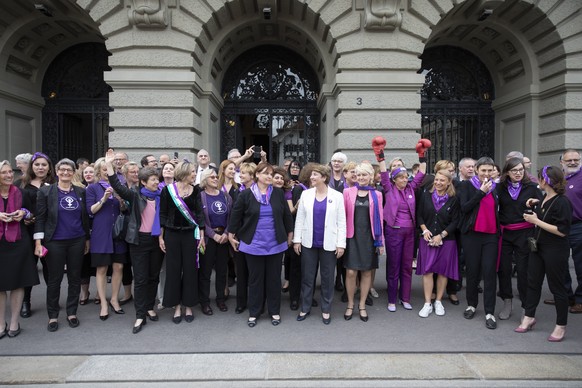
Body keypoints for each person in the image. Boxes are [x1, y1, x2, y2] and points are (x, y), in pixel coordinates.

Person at [228, 162, 293, 327]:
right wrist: (230, 234)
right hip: (253, 244)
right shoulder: (246, 195)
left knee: (273, 279)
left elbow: (286, 215)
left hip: (275, 243)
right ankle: (254, 312)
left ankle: (274, 311)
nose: (269, 176)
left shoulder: (278, 194)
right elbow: (235, 216)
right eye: (266, 173)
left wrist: (290, 234)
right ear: (257, 175)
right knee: (255, 280)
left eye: (271, 174)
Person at [105, 151, 164, 334]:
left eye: (157, 179)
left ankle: (148, 307)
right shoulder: (134, 195)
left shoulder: (163, 196)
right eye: (152, 180)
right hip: (139, 241)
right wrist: (109, 165)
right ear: (143, 182)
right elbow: (116, 185)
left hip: (157, 241)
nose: (156, 182)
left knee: (153, 277)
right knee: (140, 279)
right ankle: (140, 315)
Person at [34, 158, 90, 332]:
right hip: (54, 241)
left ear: (74, 173)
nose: (65, 173)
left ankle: (72, 312)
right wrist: (38, 242)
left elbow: (85, 218)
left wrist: (87, 238)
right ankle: (53, 315)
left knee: (75, 277)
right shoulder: (45, 192)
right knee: (54, 279)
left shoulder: (81, 192)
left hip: (77, 240)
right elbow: (40, 218)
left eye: (69, 170)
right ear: (57, 172)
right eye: (62, 170)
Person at [517, 166, 572, 342]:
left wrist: (536, 221)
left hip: (555, 249)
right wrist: (535, 204)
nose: (537, 180)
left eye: (540, 177)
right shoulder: (545, 197)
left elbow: (562, 231)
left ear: (545, 181)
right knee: (533, 283)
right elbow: (544, 210)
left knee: (557, 288)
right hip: (538, 247)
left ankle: (561, 325)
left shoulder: (563, 202)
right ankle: (529, 316)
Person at [374, 136, 427, 312]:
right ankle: (391, 299)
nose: (405, 179)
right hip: (394, 232)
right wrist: (380, 155)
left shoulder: (412, 188)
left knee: (406, 266)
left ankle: (405, 298)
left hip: (410, 232)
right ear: (394, 179)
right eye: (402, 177)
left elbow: (421, 174)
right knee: (393, 265)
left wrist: (422, 155)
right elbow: (383, 173)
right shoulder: (388, 188)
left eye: (406, 177)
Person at [293, 164, 346, 324]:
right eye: (311, 175)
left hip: (329, 244)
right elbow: (300, 218)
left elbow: (341, 222)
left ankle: (326, 309)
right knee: (308, 278)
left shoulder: (337, 196)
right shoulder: (306, 195)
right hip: (308, 243)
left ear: (324, 177)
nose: (311, 178)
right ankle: (305, 307)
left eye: (315, 175)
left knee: (327, 278)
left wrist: (341, 244)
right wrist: (297, 240)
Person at [496, 158, 543, 320]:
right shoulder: (500, 187)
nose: (518, 173)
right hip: (505, 233)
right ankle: (507, 302)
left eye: (520, 170)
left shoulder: (531, 187)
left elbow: (542, 206)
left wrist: (536, 203)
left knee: (524, 270)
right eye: (514, 170)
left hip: (525, 233)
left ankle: (525, 306)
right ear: (507, 172)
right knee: (504, 269)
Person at [159, 161, 205, 323]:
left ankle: (189, 305)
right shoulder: (167, 190)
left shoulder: (196, 190)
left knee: (190, 270)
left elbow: (199, 214)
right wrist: (160, 236)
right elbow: (163, 214)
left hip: (190, 235)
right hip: (171, 234)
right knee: (173, 270)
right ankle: (176, 306)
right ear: (185, 173)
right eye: (193, 171)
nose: (194, 174)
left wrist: (202, 235)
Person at [458, 157, 500, 329]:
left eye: (490, 170)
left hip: (491, 236)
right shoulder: (467, 186)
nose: (487, 174)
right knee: (473, 272)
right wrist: (480, 192)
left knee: (489, 273)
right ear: (476, 170)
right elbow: (464, 208)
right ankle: (472, 304)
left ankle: (490, 311)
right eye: (483, 170)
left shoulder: (497, 188)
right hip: (472, 235)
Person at [0, 160, 39, 338]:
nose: (9, 175)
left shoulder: (21, 192)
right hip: (1, 243)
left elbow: (32, 214)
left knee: (18, 282)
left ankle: (14, 322)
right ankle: (1, 323)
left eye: (10, 172)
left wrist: (23, 213)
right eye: (4, 173)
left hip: (19, 241)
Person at [86, 157, 128, 319]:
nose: (106, 172)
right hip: (101, 233)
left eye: (108, 169)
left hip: (118, 233)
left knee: (118, 267)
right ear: (98, 171)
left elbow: (124, 209)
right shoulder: (92, 188)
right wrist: (103, 199)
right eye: (104, 169)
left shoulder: (119, 186)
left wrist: (121, 200)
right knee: (102, 268)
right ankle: (103, 302)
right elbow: (91, 211)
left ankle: (115, 299)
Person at [342, 163, 383, 322]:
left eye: (364, 175)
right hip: (352, 237)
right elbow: (342, 217)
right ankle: (350, 304)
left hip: (369, 238)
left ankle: (362, 305)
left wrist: (380, 242)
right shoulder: (347, 192)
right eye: (358, 175)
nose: (361, 178)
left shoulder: (377, 195)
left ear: (370, 177)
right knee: (351, 272)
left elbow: (380, 218)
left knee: (366, 272)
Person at [17, 152, 56, 318]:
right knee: (29, 267)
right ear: (32, 167)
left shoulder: (55, 183)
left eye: (44, 165)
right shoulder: (22, 184)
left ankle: (52, 301)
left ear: (49, 168)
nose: (40, 167)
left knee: (51, 268)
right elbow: (16, 206)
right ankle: (26, 302)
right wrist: (25, 217)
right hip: (28, 232)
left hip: (51, 232)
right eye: (37, 165)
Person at [416, 169, 459, 317]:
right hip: (427, 239)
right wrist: (425, 230)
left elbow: (455, 221)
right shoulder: (426, 195)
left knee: (442, 272)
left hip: (446, 240)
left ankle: (438, 301)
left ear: (448, 182)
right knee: (427, 271)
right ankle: (427, 303)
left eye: (442, 180)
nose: (438, 183)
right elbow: (419, 215)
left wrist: (441, 235)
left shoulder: (454, 198)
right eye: (437, 180)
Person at [198, 168, 232, 315]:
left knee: (222, 271)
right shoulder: (200, 197)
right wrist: (213, 235)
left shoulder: (225, 197)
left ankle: (220, 299)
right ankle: (204, 302)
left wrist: (226, 233)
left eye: (216, 176)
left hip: (224, 238)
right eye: (211, 177)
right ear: (205, 180)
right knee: (205, 272)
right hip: (208, 239)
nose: (215, 178)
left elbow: (232, 217)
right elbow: (198, 220)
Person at [558, 149, 582, 314]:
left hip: (578, 227)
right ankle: (565, 296)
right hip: (558, 228)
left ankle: (580, 300)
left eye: (576, 159)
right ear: (562, 162)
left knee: (580, 266)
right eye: (569, 160)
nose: (573, 162)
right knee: (559, 264)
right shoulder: (558, 179)